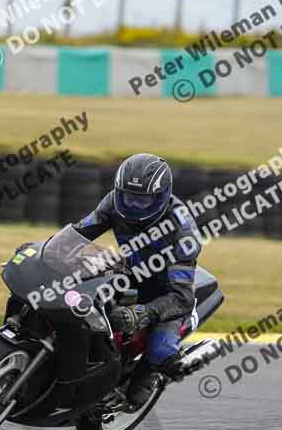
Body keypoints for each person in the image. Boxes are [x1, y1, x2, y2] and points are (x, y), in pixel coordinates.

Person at [72, 153, 202, 409]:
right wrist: (44, 250)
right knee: (79, 295)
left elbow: (182, 298)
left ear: (162, 196)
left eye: (143, 200)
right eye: (128, 197)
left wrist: (140, 314)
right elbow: (79, 233)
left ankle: (143, 380)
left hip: (165, 294)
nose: (133, 205)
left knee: (161, 353)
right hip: (132, 272)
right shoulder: (112, 203)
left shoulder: (183, 233)